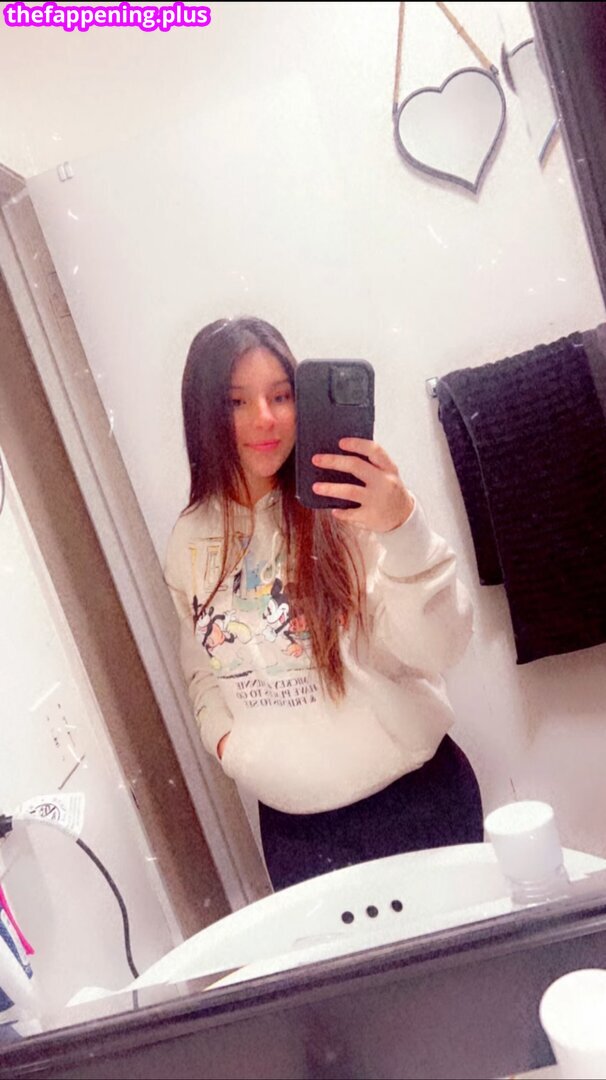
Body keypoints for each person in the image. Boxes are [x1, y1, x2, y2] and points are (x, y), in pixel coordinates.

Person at [164, 316, 483, 891]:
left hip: (418, 801)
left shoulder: (352, 508)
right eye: (237, 401)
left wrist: (403, 528)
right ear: (203, 413)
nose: (265, 418)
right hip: (297, 837)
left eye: (281, 395)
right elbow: (201, 669)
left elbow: (440, 649)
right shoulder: (189, 540)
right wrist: (231, 748)